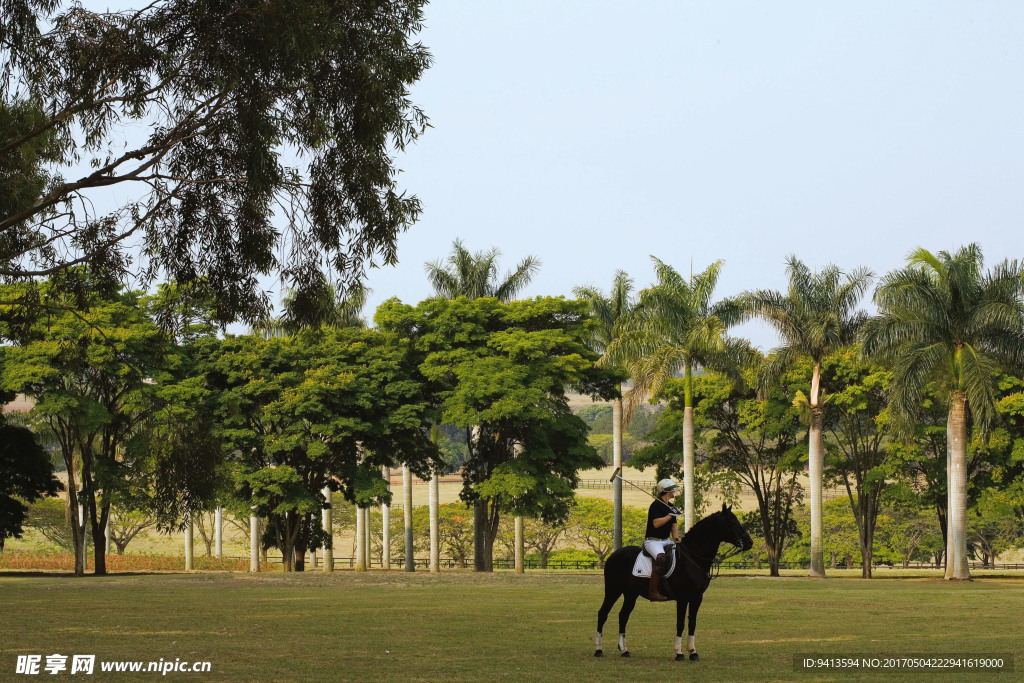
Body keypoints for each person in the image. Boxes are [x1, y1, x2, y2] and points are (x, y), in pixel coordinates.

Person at [643, 478, 682, 601]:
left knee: (681, 553)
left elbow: (674, 526)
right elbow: (656, 523)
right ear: (666, 491)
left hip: (665, 540)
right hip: (653, 541)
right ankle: (653, 592)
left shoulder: (671, 506)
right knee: (662, 559)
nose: (674, 491)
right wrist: (670, 514)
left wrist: (676, 539)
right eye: (672, 489)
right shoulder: (656, 505)